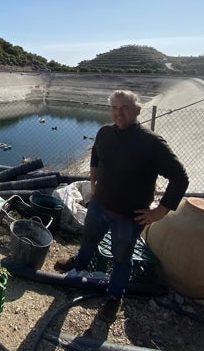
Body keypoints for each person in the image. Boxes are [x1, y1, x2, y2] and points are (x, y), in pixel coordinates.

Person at [55, 89, 189, 311]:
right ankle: (78, 264)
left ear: (137, 111)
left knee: (121, 259)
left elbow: (180, 178)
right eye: (114, 108)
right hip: (99, 205)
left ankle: (114, 297)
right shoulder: (104, 132)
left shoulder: (151, 143)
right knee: (88, 239)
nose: (119, 113)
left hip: (129, 216)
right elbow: (96, 156)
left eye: (125, 108)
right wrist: (94, 181)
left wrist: (160, 212)